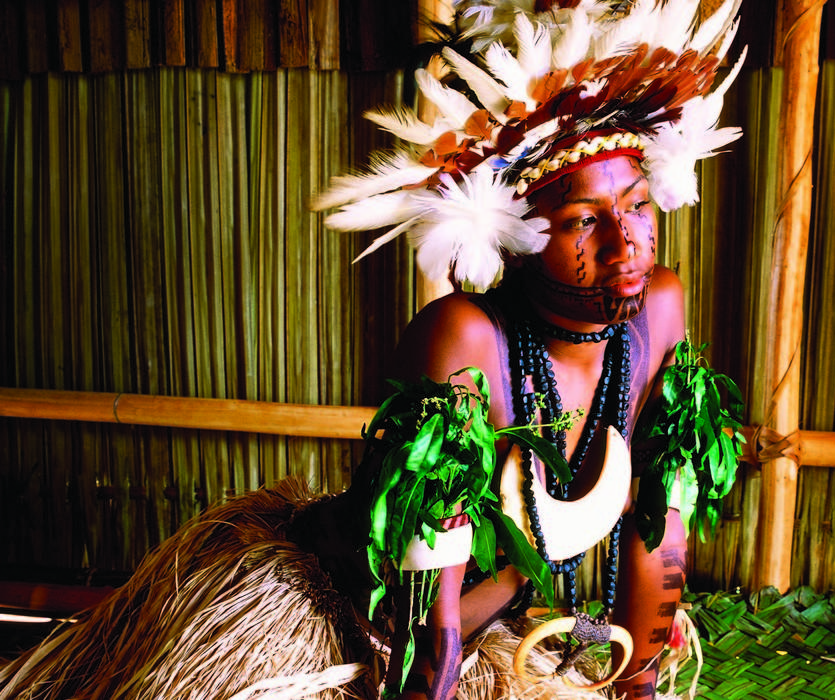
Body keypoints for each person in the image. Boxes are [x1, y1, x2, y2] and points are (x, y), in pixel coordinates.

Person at [311, 1, 748, 698]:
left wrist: (638, 684)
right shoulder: (466, 336)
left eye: (637, 206)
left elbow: (664, 507)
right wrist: (437, 673)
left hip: (510, 595)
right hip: (371, 611)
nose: (625, 239)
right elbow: (428, 585)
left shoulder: (659, 308)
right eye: (583, 221)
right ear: (518, 234)